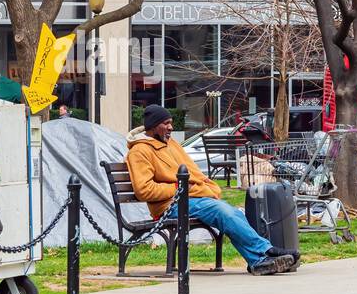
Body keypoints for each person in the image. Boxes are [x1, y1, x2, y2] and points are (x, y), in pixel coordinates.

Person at [125, 104, 298, 275]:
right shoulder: (139, 151)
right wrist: (180, 188)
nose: (170, 127)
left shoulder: (170, 144)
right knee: (221, 211)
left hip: (189, 199)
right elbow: (144, 190)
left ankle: (258, 261)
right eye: (165, 123)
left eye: (171, 122)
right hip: (169, 207)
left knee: (233, 213)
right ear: (152, 127)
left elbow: (194, 173)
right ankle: (265, 251)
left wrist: (206, 187)